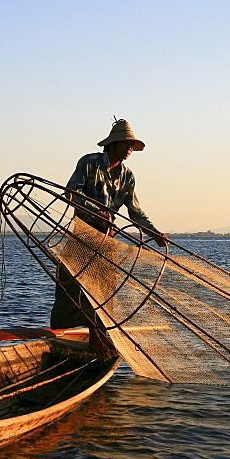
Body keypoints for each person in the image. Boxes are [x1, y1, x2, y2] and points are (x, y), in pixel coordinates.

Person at [50, 119, 168, 330]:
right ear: (112, 144)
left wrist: (154, 232)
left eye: (131, 146)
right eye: (125, 144)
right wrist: (96, 212)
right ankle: (61, 335)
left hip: (107, 240)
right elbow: (70, 193)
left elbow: (135, 212)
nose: (129, 150)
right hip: (83, 236)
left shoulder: (127, 176)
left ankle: (99, 333)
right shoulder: (89, 163)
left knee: (105, 293)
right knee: (69, 287)